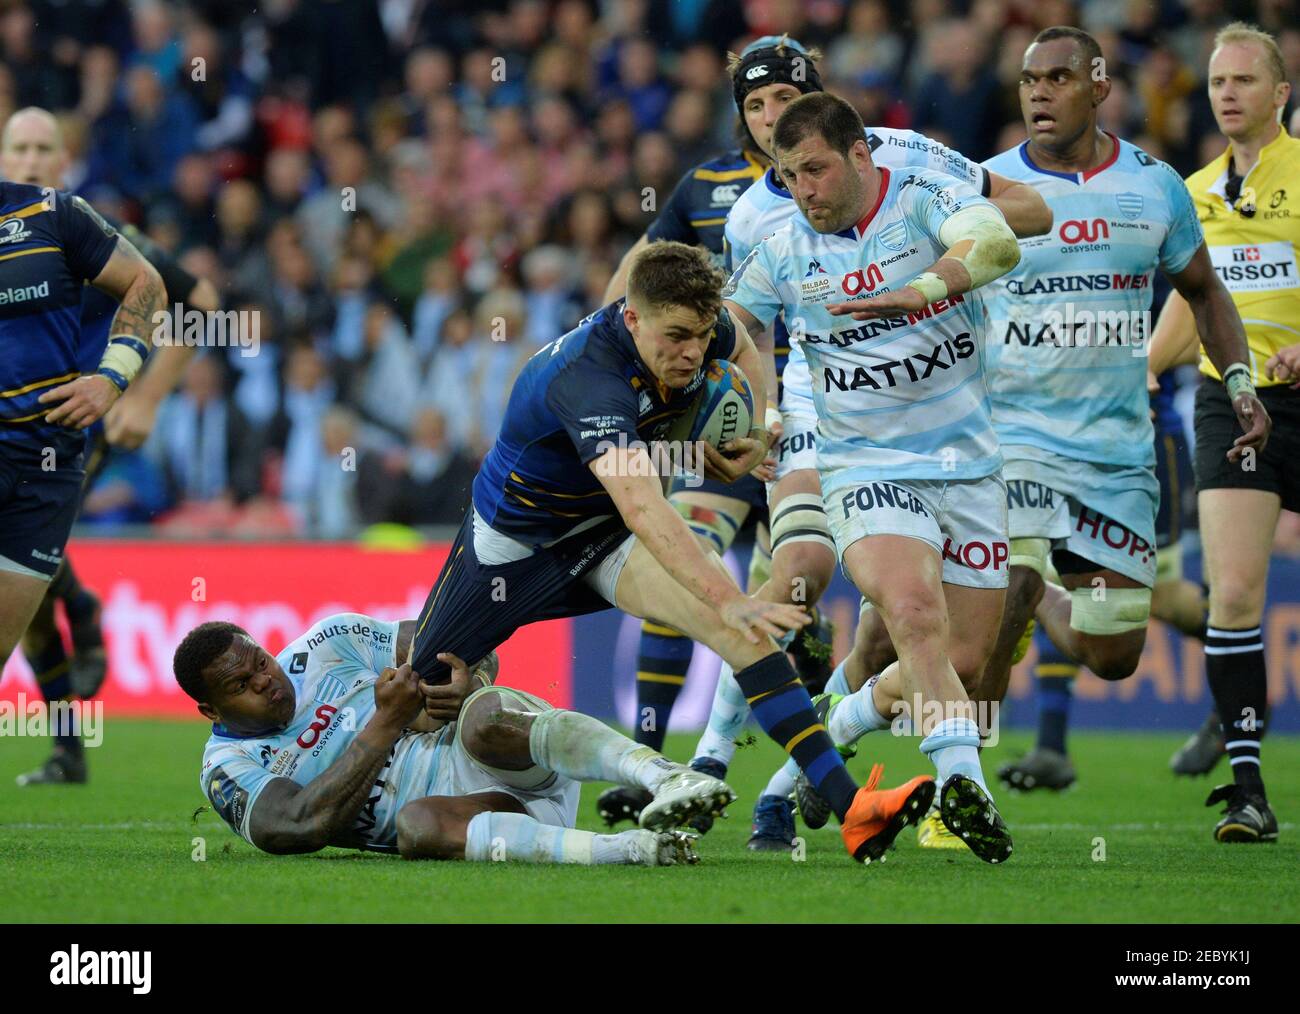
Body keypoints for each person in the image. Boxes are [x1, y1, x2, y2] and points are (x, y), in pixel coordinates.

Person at [408, 239, 934, 864]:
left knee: (744, 638)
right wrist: (729, 595)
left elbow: (742, 341)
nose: (691, 353)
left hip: (600, 535)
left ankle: (854, 811)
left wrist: (762, 424)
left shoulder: (702, 334)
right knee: (419, 696)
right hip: (511, 549)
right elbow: (645, 507)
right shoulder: (590, 382)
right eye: (676, 336)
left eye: (699, 335)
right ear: (632, 318)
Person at [696, 35, 1052, 851]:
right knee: (914, 612)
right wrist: (739, 415)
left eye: (815, 171)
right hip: (865, 466)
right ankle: (964, 786)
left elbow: (997, 242)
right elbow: (739, 330)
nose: (803, 192)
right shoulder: (777, 239)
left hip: (967, 460)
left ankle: (807, 757)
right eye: (787, 177)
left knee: (959, 660)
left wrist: (915, 294)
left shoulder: (921, 188)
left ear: (860, 152)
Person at [0, 107, 218, 785]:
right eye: (21, 148)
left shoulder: (88, 226)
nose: (32, 160)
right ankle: (67, 742)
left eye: (45, 149)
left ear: (64, 161)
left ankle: (82, 616)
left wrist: (145, 393)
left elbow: (203, 301)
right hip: (28, 431)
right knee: (30, 599)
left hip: (82, 427)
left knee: (29, 570)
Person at [177, 614, 698, 865]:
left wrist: (471, 679)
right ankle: (626, 851)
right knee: (416, 827)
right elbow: (293, 828)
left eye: (261, 664)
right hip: (479, 816)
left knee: (480, 716)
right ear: (210, 709)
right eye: (240, 686)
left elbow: (459, 642)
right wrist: (386, 723)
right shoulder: (226, 766)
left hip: (515, 751)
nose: (265, 682)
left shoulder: (329, 644)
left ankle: (662, 775)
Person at [1148, 22, 1294, 843]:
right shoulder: (1194, 190)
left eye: (1244, 80)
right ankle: (1247, 790)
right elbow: (1196, 301)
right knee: (1233, 593)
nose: (1228, 93)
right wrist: (1140, 367)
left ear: (1280, 94)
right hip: (1232, 401)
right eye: (1217, 83)